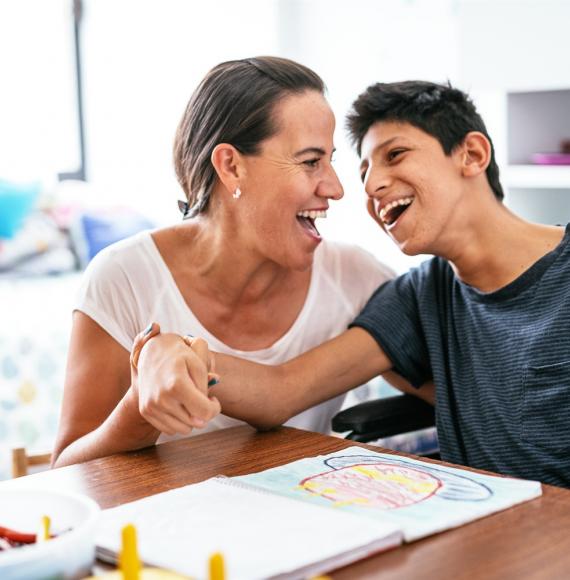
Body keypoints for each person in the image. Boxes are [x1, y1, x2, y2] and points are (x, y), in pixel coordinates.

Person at [136, 80, 570, 488]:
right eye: (364, 171)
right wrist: (168, 351)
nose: (371, 186)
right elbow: (281, 390)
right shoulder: (420, 298)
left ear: (472, 155)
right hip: (503, 540)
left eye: (395, 155)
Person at [52, 57, 413, 468]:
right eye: (311, 161)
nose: (336, 188)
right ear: (231, 166)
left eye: (331, 161)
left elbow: (445, 382)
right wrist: (141, 406)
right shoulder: (123, 278)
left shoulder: (355, 277)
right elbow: (66, 471)